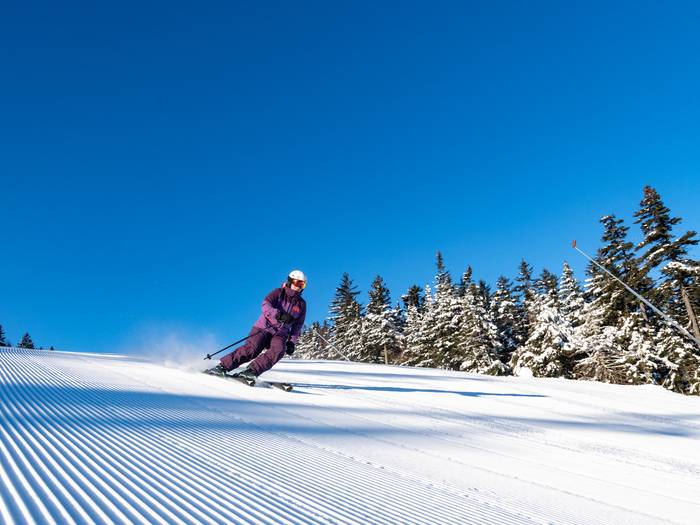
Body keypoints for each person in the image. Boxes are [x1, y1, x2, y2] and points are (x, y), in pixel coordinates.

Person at [209, 270, 307, 383]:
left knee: (279, 350)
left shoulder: (301, 304)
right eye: (297, 283)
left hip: (281, 333)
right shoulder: (279, 292)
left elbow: (298, 325)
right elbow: (265, 305)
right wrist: (278, 315)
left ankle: (251, 371)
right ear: (290, 281)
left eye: (302, 284)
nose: (299, 287)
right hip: (264, 327)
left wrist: (291, 342)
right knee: (252, 349)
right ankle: (222, 367)